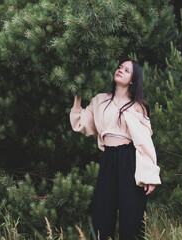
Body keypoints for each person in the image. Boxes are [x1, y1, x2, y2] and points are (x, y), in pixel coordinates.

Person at [69, 59, 161, 240]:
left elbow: (144, 143)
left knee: (132, 215)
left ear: (133, 80)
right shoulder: (99, 100)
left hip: (130, 159)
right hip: (109, 158)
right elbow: (80, 123)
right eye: (120, 67)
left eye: (127, 70)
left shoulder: (137, 106)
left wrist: (150, 176)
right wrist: (77, 97)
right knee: (102, 213)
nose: (120, 70)